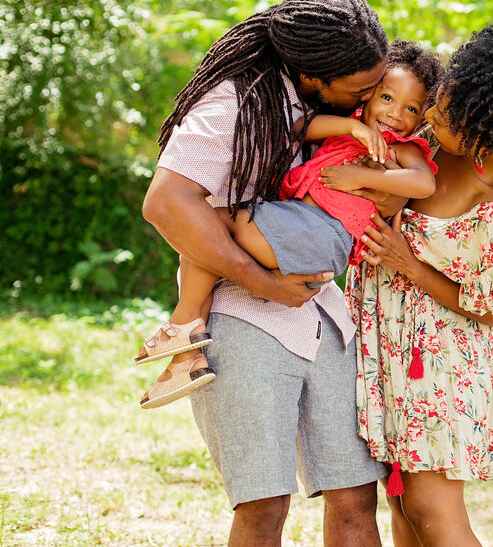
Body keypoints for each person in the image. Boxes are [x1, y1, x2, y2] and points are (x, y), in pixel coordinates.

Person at [141, 0, 397, 547]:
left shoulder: (315, 106)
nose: (366, 100)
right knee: (264, 506)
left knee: (356, 496)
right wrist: (262, 283)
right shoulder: (232, 104)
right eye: (359, 91)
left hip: (325, 319)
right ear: (313, 75)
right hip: (242, 322)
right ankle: (180, 339)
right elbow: (166, 203)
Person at [343, 23, 493, 547]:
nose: (432, 123)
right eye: (438, 107)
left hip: (439, 358)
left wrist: (408, 264)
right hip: (385, 342)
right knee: (400, 502)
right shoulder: (432, 130)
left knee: (431, 510)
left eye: (447, 121)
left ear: (489, 134)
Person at [134, 39, 443, 410]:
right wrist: (354, 128)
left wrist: (360, 177)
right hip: (301, 228)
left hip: (318, 234)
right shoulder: (352, 128)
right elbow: (300, 126)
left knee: (210, 225)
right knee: (200, 240)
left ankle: (181, 324)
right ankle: (187, 359)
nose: (395, 114)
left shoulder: (403, 147)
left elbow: (423, 183)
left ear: (422, 116)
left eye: (410, 108)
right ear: (369, 94)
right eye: (387, 98)